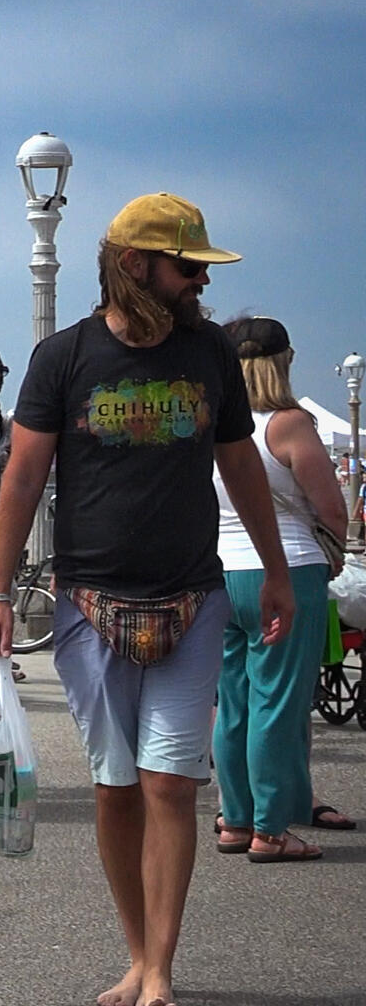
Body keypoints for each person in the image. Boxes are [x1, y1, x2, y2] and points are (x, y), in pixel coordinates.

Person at [0, 193, 292, 1006]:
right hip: (88, 605)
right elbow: (22, 481)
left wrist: (275, 571)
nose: (198, 281)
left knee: (168, 785)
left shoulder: (211, 353)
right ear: (134, 265)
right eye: (186, 266)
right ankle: (136, 948)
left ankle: (161, 968)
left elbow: (241, 465)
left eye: (199, 270)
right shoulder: (63, 357)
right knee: (116, 790)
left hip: (192, 599)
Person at [210, 316, 346, 864]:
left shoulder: (215, 422)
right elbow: (332, 507)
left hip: (221, 571)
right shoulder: (288, 424)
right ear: (284, 360)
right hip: (285, 567)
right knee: (279, 704)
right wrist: (334, 552)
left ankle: (234, 819)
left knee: (233, 700)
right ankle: (271, 828)